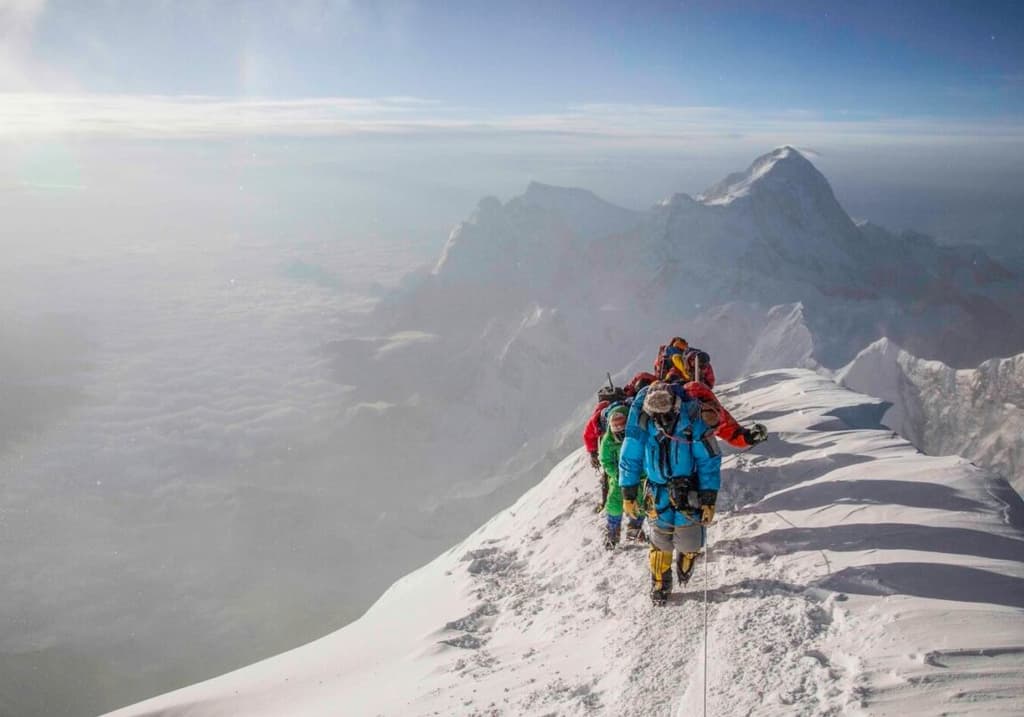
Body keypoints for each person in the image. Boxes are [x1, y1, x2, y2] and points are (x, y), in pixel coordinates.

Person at [618, 381, 722, 605]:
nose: (660, 419)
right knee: (660, 540)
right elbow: (630, 455)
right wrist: (628, 492)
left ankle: (687, 557)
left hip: (689, 487)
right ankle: (660, 582)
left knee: (689, 539)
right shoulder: (643, 421)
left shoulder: (691, 420)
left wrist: (708, 497)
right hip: (658, 490)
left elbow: (708, 459)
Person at [598, 405, 646, 548]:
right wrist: (617, 473)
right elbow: (606, 461)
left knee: (642, 501)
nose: (619, 433)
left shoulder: (636, 437)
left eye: (622, 429)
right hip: (619, 479)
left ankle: (635, 527)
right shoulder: (608, 441)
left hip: (639, 477)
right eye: (616, 429)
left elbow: (646, 456)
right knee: (614, 503)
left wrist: (643, 473)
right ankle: (612, 530)